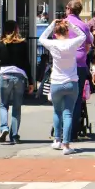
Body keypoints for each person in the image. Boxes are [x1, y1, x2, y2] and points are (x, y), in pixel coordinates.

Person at [38, 18, 86, 155]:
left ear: (55, 33)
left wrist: (52, 24)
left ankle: (57, 140)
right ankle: (66, 145)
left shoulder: (52, 44)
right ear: (67, 31)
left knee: (57, 112)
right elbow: (83, 35)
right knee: (68, 113)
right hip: (71, 81)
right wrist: (71, 25)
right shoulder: (72, 43)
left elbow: (41, 38)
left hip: (56, 83)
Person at [0, 20, 34, 143]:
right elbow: (27, 63)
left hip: (4, 75)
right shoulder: (23, 43)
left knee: (3, 105)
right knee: (17, 107)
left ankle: (4, 127)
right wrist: (31, 81)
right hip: (19, 77)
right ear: (16, 29)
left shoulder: (0, 43)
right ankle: (14, 135)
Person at [65, 0, 93, 143]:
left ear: (69, 9)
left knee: (62, 98)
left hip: (64, 64)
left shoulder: (62, 24)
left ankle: (62, 131)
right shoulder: (83, 25)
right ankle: (73, 131)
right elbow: (88, 46)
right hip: (80, 63)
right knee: (76, 99)